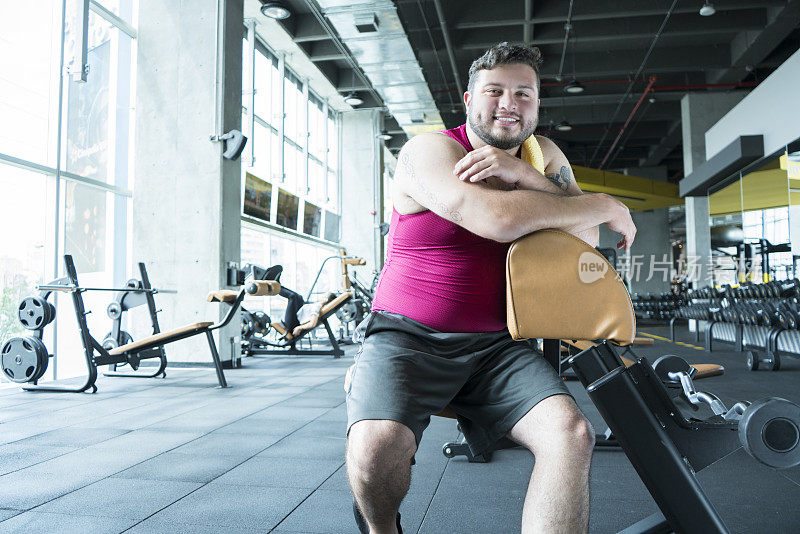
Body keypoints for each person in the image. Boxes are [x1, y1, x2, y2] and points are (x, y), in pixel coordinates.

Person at [345, 42, 636, 534]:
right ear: (468, 99)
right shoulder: (430, 150)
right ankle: (381, 527)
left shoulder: (543, 158)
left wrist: (523, 173)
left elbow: (584, 240)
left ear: (537, 105)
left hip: (501, 347)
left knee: (571, 435)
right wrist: (603, 201)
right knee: (377, 447)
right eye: (494, 91)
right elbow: (495, 218)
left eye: (524, 93)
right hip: (408, 337)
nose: (509, 104)